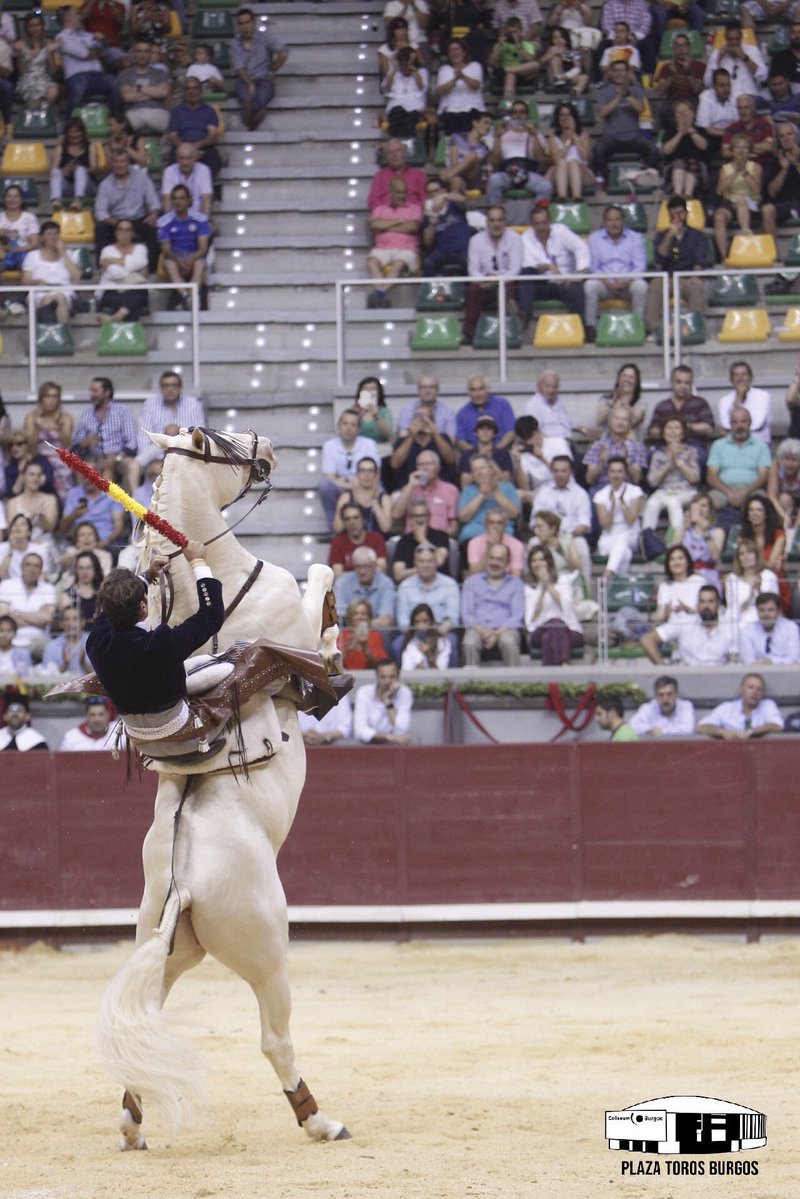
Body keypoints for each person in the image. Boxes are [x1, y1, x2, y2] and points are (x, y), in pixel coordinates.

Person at [85, 538, 227, 746]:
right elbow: (212, 615)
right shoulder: (161, 643)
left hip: (135, 735)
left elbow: (110, 609)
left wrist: (146, 577)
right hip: (176, 728)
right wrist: (197, 562)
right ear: (143, 607)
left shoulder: (96, 641)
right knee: (227, 666)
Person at [645, 193, 710, 337]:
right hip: (668, 277)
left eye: (680, 213)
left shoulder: (698, 236)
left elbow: (699, 261)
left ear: (686, 213)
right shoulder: (662, 236)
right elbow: (659, 259)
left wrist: (695, 276)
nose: (677, 217)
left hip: (688, 277)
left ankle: (693, 329)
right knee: (655, 285)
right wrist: (670, 236)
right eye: (673, 214)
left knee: (697, 287)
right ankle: (653, 330)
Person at [584, 204, 648, 343]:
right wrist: (607, 281)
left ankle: (638, 325)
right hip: (604, 283)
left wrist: (626, 281)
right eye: (610, 220)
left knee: (641, 286)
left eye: (617, 219)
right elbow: (593, 267)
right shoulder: (594, 238)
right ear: (604, 222)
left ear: (623, 221)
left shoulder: (635, 238)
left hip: (628, 283)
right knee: (590, 285)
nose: (614, 224)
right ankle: (591, 328)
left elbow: (640, 267)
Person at [518, 204, 588, 327]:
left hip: (566, 282)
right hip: (543, 282)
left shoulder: (561, 231)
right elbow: (527, 263)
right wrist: (549, 266)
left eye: (543, 223)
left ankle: (580, 327)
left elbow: (581, 248)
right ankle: (525, 315)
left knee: (576, 289)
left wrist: (579, 274)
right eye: (536, 223)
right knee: (526, 274)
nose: (540, 227)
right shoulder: (525, 238)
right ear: (531, 224)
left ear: (550, 221)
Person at [462, 207, 523, 345]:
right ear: (487, 222)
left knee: (510, 288)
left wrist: (496, 280)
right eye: (493, 220)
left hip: (506, 282)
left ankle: (513, 333)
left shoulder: (515, 238)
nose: (496, 224)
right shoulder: (475, 240)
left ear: (505, 222)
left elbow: (515, 270)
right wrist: (486, 280)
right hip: (484, 283)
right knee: (474, 291)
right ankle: (469, 334)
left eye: (500, 220)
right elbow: (473, 271)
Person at [94, 148, 161, 272]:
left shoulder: (141, 177)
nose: (120, 165)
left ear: (129, 163)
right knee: (100, 229)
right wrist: (117, 223)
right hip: (115, 221)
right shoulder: (105, 184)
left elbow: (153, 201)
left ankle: (152, 269)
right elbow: (100, 212)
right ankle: (102, 268)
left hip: (138, 218)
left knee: (153, 228)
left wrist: (154, 214)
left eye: (123, 161)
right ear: (111, 164)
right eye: (116, 162)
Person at [593, 60, 658, 184]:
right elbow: (602, 113)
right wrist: (618, 97)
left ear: (628, 73)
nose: (619, 74)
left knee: (653, 149)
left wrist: (626, 94)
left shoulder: (636, 90)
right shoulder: (603, 91)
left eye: (622, 70)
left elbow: (639, 108)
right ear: (610, 73)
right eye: (615, 70)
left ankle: (647, 177)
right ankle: (603, 181)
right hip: (610, 137)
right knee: (598, 150)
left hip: (633, 137)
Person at [640, 583, 738, 665]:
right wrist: (662, 669)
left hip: (719, 678)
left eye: (710, 602)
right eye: (702, 602)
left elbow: (734, 660)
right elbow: (647, 639)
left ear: (718, 603)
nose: (706, 606)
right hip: (687, 679)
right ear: (698, 604)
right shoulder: (685, 622)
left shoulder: (730, 627)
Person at [531, 455, 592, 582]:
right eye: (556, 471)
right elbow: (534, 522)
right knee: (532, 543)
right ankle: (533, 587)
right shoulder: (543, 492)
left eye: (564, 471)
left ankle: (585, 590)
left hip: (571, 537)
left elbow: (584, 525)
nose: (560, 474)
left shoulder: (580, 494)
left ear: (571, 472)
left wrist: (564, 539)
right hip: (545, 535)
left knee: (583, 547)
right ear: (552, 471)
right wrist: (549, 536)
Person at [461, 542, 523, 665]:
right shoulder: (471, 582)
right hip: (477, 629)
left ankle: (516, 682)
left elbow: (517, 615)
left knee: (508, 642)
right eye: (492, 558)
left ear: (507, 563)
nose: (494, 562)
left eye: (500, 559)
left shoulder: (515, 583)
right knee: (469, 642)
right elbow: (466, 614)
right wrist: (483, 632)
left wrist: (496, 633)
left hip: (505, 630)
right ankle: (471, 683)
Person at [706, 408, 771, 525]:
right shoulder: (718, 445)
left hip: (752, 490)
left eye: (743, 421)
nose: (739, 426)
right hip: (723, 491)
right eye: (735, 422)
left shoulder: (761, 446)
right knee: (706, 504)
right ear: (730, 425)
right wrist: (729, 492)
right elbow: (711, 476)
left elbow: (763, 477)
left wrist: (744, 492)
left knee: (761, 502)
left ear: (750, 423)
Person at [395, 543, 460, 660]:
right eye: (421, 561)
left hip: (441, 633)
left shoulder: (450, 584)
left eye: (430, 561)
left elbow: (452, 619)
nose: (426, 565)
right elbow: (403, 623)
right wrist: (418, 633)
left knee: (452, 641)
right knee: (398, 644)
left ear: (436, 563)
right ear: (415, 563)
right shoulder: (404, 586)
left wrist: (435, 636)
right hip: (413, 635)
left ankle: (449, 679)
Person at [71, 376, 139, 488]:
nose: (91, 394)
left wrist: (116, 458)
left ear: (107, 392)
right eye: (91, 391)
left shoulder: (122, 411)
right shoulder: (86, 414)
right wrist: (85, 443)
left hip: (119, 457)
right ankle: (84, 503)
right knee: (82, 467)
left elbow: (132, 443)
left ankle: (132, 503)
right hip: (94, 458)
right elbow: (75, 446)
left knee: (131, 466)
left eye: (95, 391)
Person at [366, 176, 422, 309]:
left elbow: (413, 227)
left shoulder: (414, 209)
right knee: (371, 261)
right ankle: (381, 292)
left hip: (406, 249)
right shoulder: (379, 209)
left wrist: (386, 226)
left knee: (398, 264)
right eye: (398, 192)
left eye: (404, 192)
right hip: (382, 248)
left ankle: (380, 292)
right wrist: (400, 221)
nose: (402, 196)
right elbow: (375, 225)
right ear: (390, 192)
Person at [319, 410, 379, 530]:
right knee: (324, 485)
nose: (348, 428)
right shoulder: (329, 446)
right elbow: (329, 476)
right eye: (345, 424)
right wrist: (351, 485)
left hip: (365, 483)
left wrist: (360, 484)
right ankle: (333, 530)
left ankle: (372, 529)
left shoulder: (369, 444)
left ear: (359, 429)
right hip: (341, 485)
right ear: (338, 426)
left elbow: (375, 472)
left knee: (380, 488)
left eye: (353, 425)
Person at [136, 370, 206, 474]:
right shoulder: (150, 404)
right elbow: (143, 436)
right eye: (165, 386)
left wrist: (179, 432)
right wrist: (153, 459)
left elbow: (200, 434)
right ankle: (135, 491)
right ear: (161, 388)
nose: (169, 389)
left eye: (173, 385)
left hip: (186, 452)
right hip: (157, 452)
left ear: (180, 388)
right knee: (135, 465)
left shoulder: (193, 404)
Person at [485, 100, 552, 206]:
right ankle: (496, 214)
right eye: (515, 113)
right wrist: (498, 137)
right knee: (493, 180)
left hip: (528, 173)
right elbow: (495, 160)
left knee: (546, 186)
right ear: (511, 116)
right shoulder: (502, 135)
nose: (518, 115)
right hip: (507, 172)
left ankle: (536, 215)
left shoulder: (536, 135)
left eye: (522, 112)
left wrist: (534, 135)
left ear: (527, 115)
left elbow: (541, 158)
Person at [523, 544, 583, 663]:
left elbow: (566, 608)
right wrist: (542, 590)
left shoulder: (563, 580)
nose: (537, 564)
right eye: (533, 561)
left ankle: (550, 678)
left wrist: (549, 585)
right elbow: (530, 621)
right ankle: (563, 667)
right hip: (538, 632)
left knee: (550, 635)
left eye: (541, 560)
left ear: (548, 562)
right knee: (552, 625)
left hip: (569, 630)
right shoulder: (529, 588)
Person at [56, 5, 120, 115]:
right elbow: (84, 54)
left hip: (98, 75)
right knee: (79, 89)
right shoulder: (61, 37)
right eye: (77, 14)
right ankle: (71, 125)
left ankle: (114, 120)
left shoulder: (87, 34)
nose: (80, 16)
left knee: (115, 84)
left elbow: (104, 48)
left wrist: (103, 40)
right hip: (77, 76)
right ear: (67, 18)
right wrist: (94, 51)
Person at [231, 7, 288, 132]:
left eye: (247, 22)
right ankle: (253, 117)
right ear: (238, 26)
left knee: (262, 95)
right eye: (241, 24)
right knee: (244, 95)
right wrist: (249, 83)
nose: (245, 27)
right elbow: (239, 68)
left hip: (263, 79)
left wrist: (271, 70)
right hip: (244, 80)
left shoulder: (265, 37)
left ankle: (246, 119)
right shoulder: (235, 43)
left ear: (253, 22)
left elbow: (283, 53)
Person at [157, 184, 211, 311]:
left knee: (199, 264)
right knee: (170, 264)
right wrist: (179, 261)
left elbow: (203, 248)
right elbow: (166, 249)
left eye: (181, 198)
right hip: (174, 256)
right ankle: (188, 297)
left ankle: (191, 296)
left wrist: (190, 260)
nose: (178, 202)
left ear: (189, 200)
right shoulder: (163, 221)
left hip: (195, 254)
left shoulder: (200, 219)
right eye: (175, 199)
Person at [642, 418, 699, 533]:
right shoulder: (658, 454)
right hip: (663, 490)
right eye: (669, 428)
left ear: (682, 433)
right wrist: (668, 465)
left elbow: (694, 478)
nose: (672, 432)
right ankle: (647, 542)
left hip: (686, 491)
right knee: (651, 504)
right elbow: (652, 482)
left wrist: (678, 461)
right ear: (663, 433)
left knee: (673, 501)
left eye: (676, 428)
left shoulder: (691, 452)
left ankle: (676, 542)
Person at [647, 364, 716, 458]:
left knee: (700, 456)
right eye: (678, 382)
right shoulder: (662, 406)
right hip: (665, 446)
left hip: (693, 445)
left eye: (686, 383)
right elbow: (652, 431)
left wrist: (685, 426)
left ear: (691, 384)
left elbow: (708, 428)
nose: (682, 386)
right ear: (672, 382)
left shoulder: (700, 403)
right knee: (651, 456)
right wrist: (668, 430)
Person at [21, 221, 81, 326]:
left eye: (56, 233)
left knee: (60, 297)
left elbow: (77, 276)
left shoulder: (68, 254)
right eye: (49, 234)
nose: (53, 237)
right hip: (39, 292)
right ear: (42, 237)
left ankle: (63, 331)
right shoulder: (32, 255)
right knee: (47, 299)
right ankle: (47, 332)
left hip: (64, 291)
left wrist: (63, 252)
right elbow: (25, 280)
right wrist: (37, 281)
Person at [713, 133, 762, 262]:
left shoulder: (755, 167)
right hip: (729, 201)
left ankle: (745, 231)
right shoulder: (725, 168)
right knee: (719, 217)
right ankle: (724, 257)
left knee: (741, 199)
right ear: (732, 151)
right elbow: (719, 191)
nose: (741, 151)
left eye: (745, 147)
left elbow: (756, 190)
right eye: (737, 147)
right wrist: (735, 172)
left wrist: (744, 172)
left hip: (751, 201)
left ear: (749, 151)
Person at [593, 457, 644, 579]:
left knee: (623, 538)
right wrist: (611, 507)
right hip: (608, 538)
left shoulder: (635, 491)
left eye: (619, 471)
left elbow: (631, 520)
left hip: (630, 535)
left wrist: (621, 502)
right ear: (608, 474)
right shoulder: (600, 495)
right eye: (613, 471)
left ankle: (606, 576)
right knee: (625, 554)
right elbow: (605, 525)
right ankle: (616, 587)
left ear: (625, 473)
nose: (616, 475)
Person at [23, 382, 73, 505]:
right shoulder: (31, 417)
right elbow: (29, 445)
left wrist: (59, 425)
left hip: (60, 459)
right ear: (41, 399)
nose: (51, 400)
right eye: (47, 396)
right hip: (39, 458)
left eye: (54, 396)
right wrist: (37, 426)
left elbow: (66, 443)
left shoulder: (66, 418)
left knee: (64, 473)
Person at [0, 552, 56, 662]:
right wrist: (36, 618)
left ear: (41, 570)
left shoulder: (48, 588)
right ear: (21, 567)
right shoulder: (7, 585)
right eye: (28, 565)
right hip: (11, 640)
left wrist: (15, 613)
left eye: (36, 566)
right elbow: (3, 617)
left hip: (39, 641)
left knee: (52, 649)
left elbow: (46, 619)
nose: (32, 569)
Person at [391, 450, 460, 536]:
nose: (425, 468)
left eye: (429, 464)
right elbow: (396, 515)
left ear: (438, 467)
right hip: (412, 540)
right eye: (421, 464)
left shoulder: (450, 490)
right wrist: (410, 485)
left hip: (440, 539)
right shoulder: (409, 488)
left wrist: (441, 538)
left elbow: (454, 526)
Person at [95, 218, 150, 325]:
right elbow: (114, 273)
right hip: (111, 290)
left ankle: (115, 318)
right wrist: (135, 268)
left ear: (132, 233)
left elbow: (143, 265)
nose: (124, 233)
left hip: (133, 289)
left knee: (139, 290)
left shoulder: (141, 248)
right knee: (133, 301)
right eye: (120, 230)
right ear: (115, 233)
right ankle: (126, 326)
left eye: (127, 230)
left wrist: (113, 260)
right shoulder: (107, 250)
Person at [696, 673, 784, 740]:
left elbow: (777, 726)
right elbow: (702, 727)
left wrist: (752, 732)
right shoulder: (727, 708)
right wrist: (721, 732)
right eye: (751, 687)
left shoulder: (768, 705)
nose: (754, 692)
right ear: (741, 689)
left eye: (759, 689)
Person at [166, 77, 222, 178]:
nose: (192, 92)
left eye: (195, 88)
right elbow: (172, 137)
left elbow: (213, 136)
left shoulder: (209, 111)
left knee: (214, 162)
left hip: (204, 150)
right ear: (184, 92)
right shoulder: (176, 112)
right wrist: (187, 150)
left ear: (200, 91)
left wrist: (196, 147)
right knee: (172, 166)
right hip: (181, 149)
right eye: (188, 88)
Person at [457, 454, 520, 545]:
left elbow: (514, 514)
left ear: (491, 470)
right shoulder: (468, 489)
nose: (479, 472)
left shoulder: (507, 487)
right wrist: (482, 495)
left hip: (503, 534)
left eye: (482, 468)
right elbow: (463, 518)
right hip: (472, 535)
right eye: (475, 470)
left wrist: (495, 492)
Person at [333, 545, 396, 634]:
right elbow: (338, 618)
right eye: (358, 567)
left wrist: (361, 625)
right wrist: (365, 625)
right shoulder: (342, 583)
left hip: (376, 633)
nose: (362, 571)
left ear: (375, 565)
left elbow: (386, 620)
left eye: (366, 566)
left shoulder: (386, 583)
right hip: (348, 633)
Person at [583, 406, 648, 488]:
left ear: (629, 425)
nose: (620, 422)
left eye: (624, 419)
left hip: (628, 487)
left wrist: (627, 461)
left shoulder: (637, 447)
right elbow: (589, 480)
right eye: (617, 418)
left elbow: (636, 479)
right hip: (603, 486)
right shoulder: (598, 446)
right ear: (610, 422)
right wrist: (601, 462)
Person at [421, 176, 472, 277]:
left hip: (463, 249)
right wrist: (432, 224)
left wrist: (444, 196)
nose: (433, 194)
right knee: (428, 263)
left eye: (436, 191)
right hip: (442, 251)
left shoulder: (454, 205)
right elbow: (427, 242)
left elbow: (463, 199)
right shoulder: (428, 213)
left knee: (470, 263)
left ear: (443, 190)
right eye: (429, 192)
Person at [119, 38, 171, 134]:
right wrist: (153, 93)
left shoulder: (160, 73)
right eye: (139, 51)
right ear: (134, 54)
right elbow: (127, 97)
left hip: (157, 112)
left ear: (150, 54)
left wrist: (137, 89)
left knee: (172, 128)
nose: (142, 55)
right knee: (120, 129)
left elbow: (163, 92)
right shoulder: (125, 74)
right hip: (134, 113)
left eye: (146, 51)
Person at [353, 659, 412, 744]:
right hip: (368, 746)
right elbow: (359, 731)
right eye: (383, 677)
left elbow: (401, 730)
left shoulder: (405, 693)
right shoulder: (364, 692)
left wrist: (388, 702)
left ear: (398, 677)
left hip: (394, 747)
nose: (387, 681)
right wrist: (388, 737)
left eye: (391, 677)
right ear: (377, 677)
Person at [433, 39, 485, 136]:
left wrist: (462, 76)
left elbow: (476, 85)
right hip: (450, 110)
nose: (454, 53)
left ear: (464, 52)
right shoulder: (444, 69)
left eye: (456, 49)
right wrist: (454, 80)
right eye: (451, 51)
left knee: (467, 119)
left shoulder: (475, 66)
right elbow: (439, 91)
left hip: (472, 109)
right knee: (452, 120)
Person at [392, 498, 451, 580]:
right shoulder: (403, 542)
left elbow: (439, 561)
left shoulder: (441, 536)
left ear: (429, 517)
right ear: (410, 519)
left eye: (422, 515)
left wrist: (421, 538)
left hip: (439, 584)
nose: (419, 519)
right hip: (412, 586)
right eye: (415, 516)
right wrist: (423, 569)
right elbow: (398, 574)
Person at [49, 118, 101, 212]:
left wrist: (79, 169)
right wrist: (64, 171)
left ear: (82, 132)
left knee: (80, 170)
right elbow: (53, 170)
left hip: (87, 186)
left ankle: (77, 201)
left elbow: (95, 169)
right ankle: (56, 201)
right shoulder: (60, 148)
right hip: (67, 186)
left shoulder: (90, 147)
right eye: (71, 132)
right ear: (66, 133)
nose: (74, 135)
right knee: (56, 172)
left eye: (77, 132)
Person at [703, 24, 767, 100]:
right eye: (730, 39)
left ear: (741, 37)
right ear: (725, 38)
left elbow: (764, 76)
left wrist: (745, 58)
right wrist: (718, 59)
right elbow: (707, 82)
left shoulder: (752, 50)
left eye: (736, 39)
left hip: (750, 96)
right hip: (727, 99)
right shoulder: (717, 54)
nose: (733, 43)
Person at [676, 494, 725, 591]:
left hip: (708, 573)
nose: (700, 509)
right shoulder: (683, 530)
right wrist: (683, 528)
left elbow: (715, 556)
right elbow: (674, 551)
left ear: (710, 510)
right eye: (696, 505)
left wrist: (705, 531)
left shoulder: (717, 532)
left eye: (703, 505)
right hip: (686, 573)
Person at [333, 456, 392, 536]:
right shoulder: (346, 497)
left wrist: (375, 504)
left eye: (370, 471)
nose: (366, 475)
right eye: (362, 471)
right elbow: (337, 528)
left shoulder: (384, 498)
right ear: (357, 474)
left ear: (376, 475)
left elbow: (386, 528)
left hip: (376, 544)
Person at [455, 375, 516, 451]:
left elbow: (511, 432)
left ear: (488, 389)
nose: (477, 394)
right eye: (473, 390)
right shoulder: (462, 414)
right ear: (468, 392)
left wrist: (495, 451)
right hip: (474, 456)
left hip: (501, 452)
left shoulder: (502, 405)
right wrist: (478, 454)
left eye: (481, 389)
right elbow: (460, 441)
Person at [13, 10, 60, 111]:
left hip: (44, 78)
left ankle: (40, 113)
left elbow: (53, 71)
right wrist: (20, 54)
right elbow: (22, 72)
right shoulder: (21, 44)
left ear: (42, 26)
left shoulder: (48, 43)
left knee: (53, 91)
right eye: (31, 26)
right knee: (36, 96)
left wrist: (51, 52)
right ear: (27, 28)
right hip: (28, 80)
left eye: (38, 25)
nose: (35, 28)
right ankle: (40, 115)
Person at [545, 103, 594, 199]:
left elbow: (585, 156)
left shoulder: (583, 135)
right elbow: (556, 159)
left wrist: (574, 136)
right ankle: (562, 197)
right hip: (559, 173)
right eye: (562, 115)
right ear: (558, 118)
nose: (565, 118)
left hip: (581, 172)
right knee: (562, 162)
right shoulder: (553, 137)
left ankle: (577, 197)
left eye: (568, 115)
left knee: (573, 163)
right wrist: (568, 142)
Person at [717, 362, 771, 446]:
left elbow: (756, 424)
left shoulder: (763, 396)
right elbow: (726, 424)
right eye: (736, 375)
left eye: (744, 374)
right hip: (732, 445)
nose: (740, 378)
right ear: (731, 380)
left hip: (758, 444)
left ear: (750, 378)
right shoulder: (724, 400)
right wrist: (738, 399)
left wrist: (731, 430)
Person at [367, 139, 428, 212]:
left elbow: (425, 199)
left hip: (413, 218)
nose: (394, 155)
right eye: (390, 153)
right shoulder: (379, 176)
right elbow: (373, 201)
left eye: (397, 151)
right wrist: (385, 213)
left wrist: (413, 212)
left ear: (404, 153)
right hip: (386, 218)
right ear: (386, 157)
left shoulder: (419, 175)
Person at [740, 591, 800, 664]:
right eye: (762, 610)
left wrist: (771, 661)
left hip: (786, 673)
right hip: (756, 673)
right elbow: (748, 662)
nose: (766, 615)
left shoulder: (790, 628)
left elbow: (794, 659)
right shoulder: (746, 631)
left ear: (778, 611)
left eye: (770, 610)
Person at [442, 111, 493, 196]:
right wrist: (453, 173)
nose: (488, 127)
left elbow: (473, 170)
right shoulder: (457, 137)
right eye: (485, 123)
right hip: (455, 174)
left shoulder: (483, 148)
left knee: (472, 156)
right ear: (475, 123)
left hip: (470, 178)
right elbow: (453, 162)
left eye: (490, 125)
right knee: (456, 181)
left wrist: (448, 174)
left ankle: (447, 177)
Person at [329, 503, 388, 577]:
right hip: (347, 586)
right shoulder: (337, 542)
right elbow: (337, 574)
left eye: (356, 517)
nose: (352, 522)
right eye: (347, 519)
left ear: (363, 519)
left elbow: (381, 569)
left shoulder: (376, 538)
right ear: (344, 522)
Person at [383, 48, 430, 139]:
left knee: (410, 119)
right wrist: (395, 68)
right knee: (397, 113)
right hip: (396, 104)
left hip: (415, 105)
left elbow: (422, 86)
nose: (405, 67)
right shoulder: (394, 73)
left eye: (407, 64)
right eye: (403, 65)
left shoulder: (422, 72)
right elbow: (387, 88)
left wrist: (412, 69)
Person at [652, 545, 705, 626]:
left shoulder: (699, 581)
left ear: (687, 562)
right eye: (672, 559)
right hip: (672, 627)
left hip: (696, 626)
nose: (676, 562)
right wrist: (666, 615)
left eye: (680, 558)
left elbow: (707, 611)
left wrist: (687, 610)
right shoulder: (664, 586)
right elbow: (660, 615)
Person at [488, 15, 540, 98]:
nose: (513, 35)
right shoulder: (501, 44)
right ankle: (507, 103)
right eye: (511, 32)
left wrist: (519, 46)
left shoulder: (526, 44)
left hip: (522, 75)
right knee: (510, 75)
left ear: (520, 31)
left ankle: (505, 70)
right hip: (505, 77)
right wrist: (500, 45)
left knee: (536, 64)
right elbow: (491, 62)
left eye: (515, 32)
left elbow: (531, 60)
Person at [161, 143, 214, 222]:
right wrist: (169, 223)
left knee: (212, 229)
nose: (185, 162)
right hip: (176, 219)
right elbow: (166, 199)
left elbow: (206, 198)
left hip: (197, 218)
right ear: (177, 159)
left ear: (195, 158)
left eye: (188, 158)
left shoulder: (203, 170)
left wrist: (205, 223)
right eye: (181, 158)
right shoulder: (169, 171)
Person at [629, 676, 697, 737]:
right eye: (661, 695)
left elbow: (688, 729)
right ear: (656, 696)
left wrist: (662, 731)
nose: (665, 699)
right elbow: (632, 726)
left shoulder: (685, 706)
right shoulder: (648, 708)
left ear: (676, 694)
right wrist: (650, 730)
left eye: (669, 694)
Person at [396, 376, 457, 440]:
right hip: (412, 447)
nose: (427, 391)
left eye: (431, 387)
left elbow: (451, 439)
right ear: (418, 390)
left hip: (439, 448)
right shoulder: (407, 410)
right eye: (423, 387)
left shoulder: (448, 411)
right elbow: (401, 436)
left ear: (438, 390)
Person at [459, 415, 513, 484]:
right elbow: (464, 482)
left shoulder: (503, 454)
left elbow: (506, 480)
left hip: (498, 490)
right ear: (476, 433)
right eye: (481, 428)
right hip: (474, 491)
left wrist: (489, 461)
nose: (485, 432)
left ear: (494, 434)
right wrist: (482, 460)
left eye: (489, 429)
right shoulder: (467, 455)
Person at [721, 93, 776, 161]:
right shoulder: (731, 128)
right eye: (740, 108)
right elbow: (725, 152)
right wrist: (754, 149)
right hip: (738, 167)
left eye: (746, 108)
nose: (743, 112)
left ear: (754, 109)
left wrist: (739, 149)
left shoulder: (764, 125)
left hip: (762, 165)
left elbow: (769, 146)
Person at [696, 69, 738, 155]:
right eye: (722, 86)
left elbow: (739, 123)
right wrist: (728, 134)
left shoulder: (736, 96)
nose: (726, 89)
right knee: (703, 141)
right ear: (714, 86)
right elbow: (707, 128)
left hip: (733, 135)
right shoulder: (705, 97)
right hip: (712, 135)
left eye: (728, 85)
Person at [596, 362, 644, 435]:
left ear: (637, 381)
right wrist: (612, 404)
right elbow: (599, 421)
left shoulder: (641, 402)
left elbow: (634, 421)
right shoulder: (605, 399)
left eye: (631, 377)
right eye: (624, 376)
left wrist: (624, 404)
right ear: (618, 378)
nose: (627, 380)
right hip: (607, 443)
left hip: (632, 444)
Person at [337, 599, 387, 670]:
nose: (359, 617)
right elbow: (333, 668)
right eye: (355, 613)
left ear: (368, 617)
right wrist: (347, 650)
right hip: (346, 676)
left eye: (363, 614)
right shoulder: (341, 636)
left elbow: (381, 667)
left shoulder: (376, 636)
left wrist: (366, 648)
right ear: (350, 616)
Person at [400, 602, 451, 670]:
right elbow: (406, 670)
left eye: (425, 621)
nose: (421, 626)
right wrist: (416, 670)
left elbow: (441, 674)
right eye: (417, 622)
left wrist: (429, 656)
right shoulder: (409, 643)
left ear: (432, 621)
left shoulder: (443, 643)